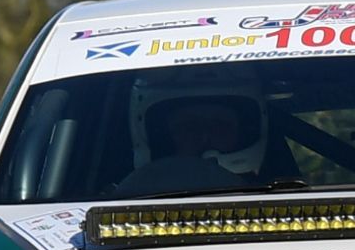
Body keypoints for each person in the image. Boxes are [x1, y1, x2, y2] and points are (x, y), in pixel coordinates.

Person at [114, 82, 267, 196]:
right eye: (189, 127)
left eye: (220, 125)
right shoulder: (131, 199)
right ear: (166, 137)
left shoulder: (275, 196)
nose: (205, 136)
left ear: (243, 133)